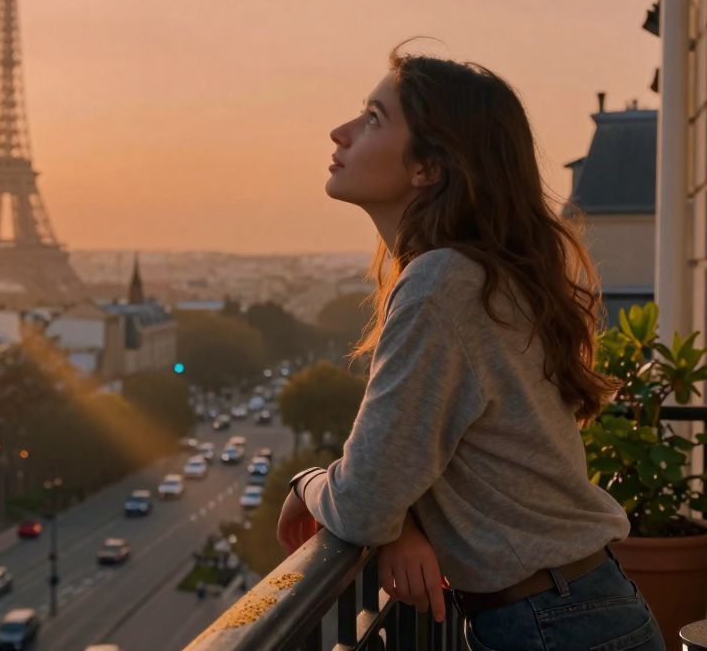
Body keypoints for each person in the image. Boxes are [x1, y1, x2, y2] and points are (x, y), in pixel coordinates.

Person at [276, 42, 665, 651]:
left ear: (428, 167)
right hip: (572, 608)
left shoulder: (441, 284)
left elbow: (362, 502)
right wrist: (404, 522)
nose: (341, 131)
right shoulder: (476, 276)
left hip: (550, 624)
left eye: (374, 118)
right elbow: (425, 452)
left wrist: (304, 482)